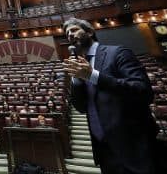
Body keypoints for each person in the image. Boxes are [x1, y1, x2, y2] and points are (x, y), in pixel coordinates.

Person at [62, 17, 157, 174]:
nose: (70, 35)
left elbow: (143, 92)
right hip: (104, 150)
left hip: (133, 147)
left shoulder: (118, 53)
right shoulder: (80, 66)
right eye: (67, 34)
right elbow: (81, 108)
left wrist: (93, 76)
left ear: (90, 32)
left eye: (74, 30)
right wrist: (77, 82)